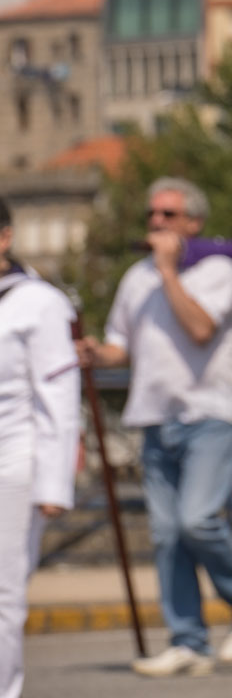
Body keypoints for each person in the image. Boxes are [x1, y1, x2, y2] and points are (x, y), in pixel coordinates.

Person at [78, 178, 232, 677]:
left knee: (197, 519)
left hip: (211, 412)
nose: (156, 223)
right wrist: (97, 353)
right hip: (154, 415)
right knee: (166, 535)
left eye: (168, 215)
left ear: (193, 224)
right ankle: (188, 639)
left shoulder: (218, 270)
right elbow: (123, 346)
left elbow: (201, 328)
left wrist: (168, 271)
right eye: (152, 216)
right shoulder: (135, 277)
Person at [0, 198, 81, 698]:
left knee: (2, 594)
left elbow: (58, 398)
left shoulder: (39, 303)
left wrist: (53, 484)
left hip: (13, 462)